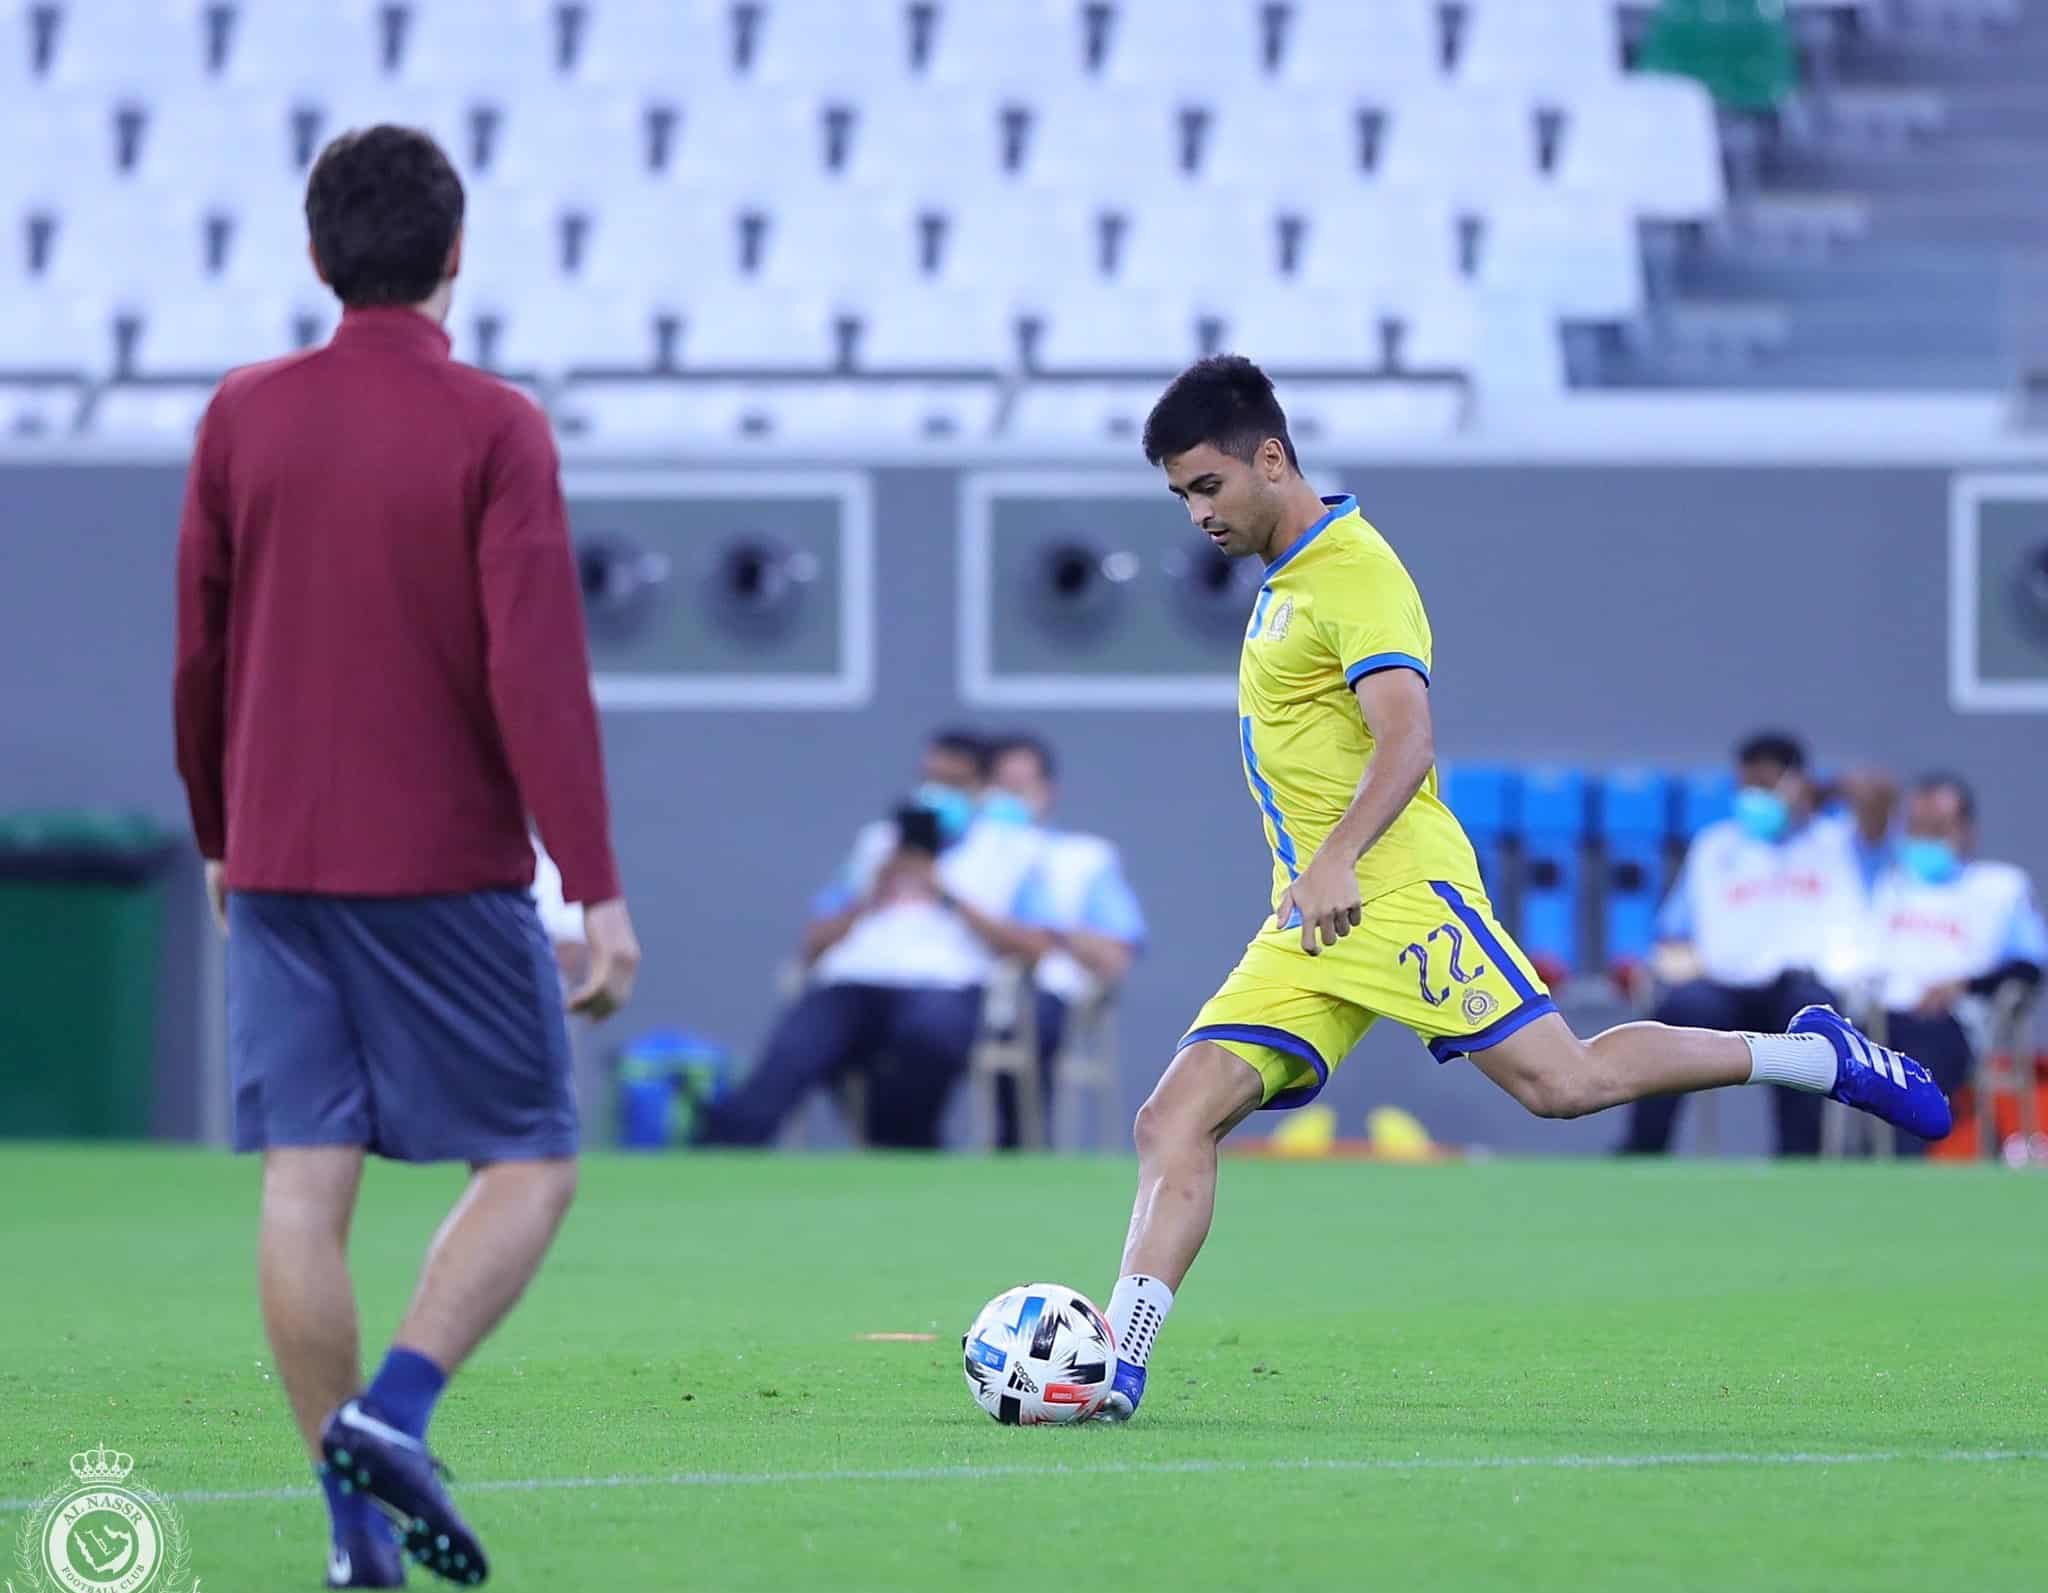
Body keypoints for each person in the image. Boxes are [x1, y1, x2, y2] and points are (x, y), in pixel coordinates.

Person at [1089, 356, 1950, 1423]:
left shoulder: (1355, 572)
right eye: (1182, 496)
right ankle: (1115, 1363)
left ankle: (1813, 1055)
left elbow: (1408, 738)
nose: (1198, 514)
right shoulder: (1288, 582)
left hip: (1395, 894)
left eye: (1207, 486)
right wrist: (1318, 875)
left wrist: (1338, 856)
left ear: (1271, 458)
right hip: (1311, 921)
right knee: (1171, 1117)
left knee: (1562, 1084)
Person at [172, 125, 640, 1593]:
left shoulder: (241, 414)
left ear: (318, 257)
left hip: (278, 859)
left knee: (303, 1181)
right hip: (440, 862)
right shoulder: (496, 425)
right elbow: (535, 672)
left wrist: (219, 832)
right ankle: (395, 1410)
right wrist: (594, 884)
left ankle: (351, 1524)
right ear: (455, 254)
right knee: (533, 1157)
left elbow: (199, 652)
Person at [696, 730, 1053, 1149]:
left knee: (929, 1039)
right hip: (854, 982)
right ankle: (720, 1151)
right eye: (929, 779)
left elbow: (1035, 948)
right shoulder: (877, 843)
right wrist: (873, 892)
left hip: (947, 986)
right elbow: (813, 942)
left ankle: (905, 1144)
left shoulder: (1016, 850)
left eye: (953, 783)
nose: (936, 792)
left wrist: (946, 893)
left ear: (984, 788)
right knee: (793, 1052)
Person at [1616, 732, 1878, 1158]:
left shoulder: (1837, 842)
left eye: (1765, 786)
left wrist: (1822, 794)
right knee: (1676, 1014)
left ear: (1796, 783)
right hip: (1724, 987)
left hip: (1800, 986)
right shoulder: (1714, 847)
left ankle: (1800, 1160)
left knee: (1810, 1025)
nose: (1753, 798)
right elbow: (1673, 930)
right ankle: (1642, 1150)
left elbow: (1878, 793)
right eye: (1746, 787)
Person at [1861, 773, 2047, 1155]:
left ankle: (1908, 1165)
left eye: (1937, 828)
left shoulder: (2000, 888)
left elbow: (2029, 967)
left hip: (1954, 1022)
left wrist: (1962, 986)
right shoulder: (1884, 883)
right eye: (1917, 828)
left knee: (1920, 1053)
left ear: (1966, 830)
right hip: (1879, 1018)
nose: (1924, 840)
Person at [981, 734, 1146, 1149]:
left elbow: (1115, 955)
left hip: (1047, 992)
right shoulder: (956, 857)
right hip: (968, 989)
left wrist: (1051, 935)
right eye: (1002, 787)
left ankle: (1023, 1148)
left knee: (1031, 1020)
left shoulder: (1083, 858)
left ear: (1047, 791)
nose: (1011, 798)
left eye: (1021, 786)